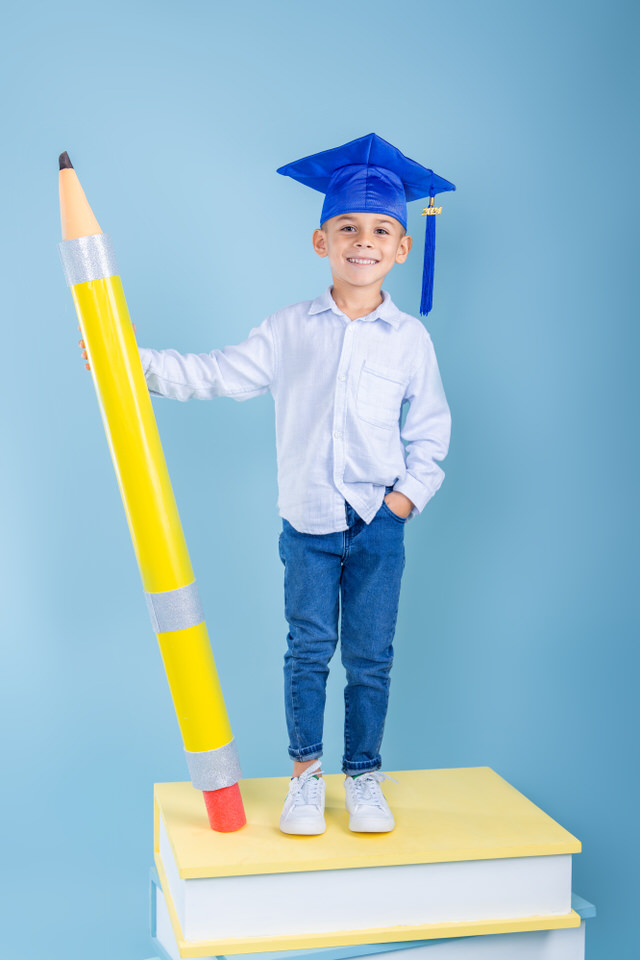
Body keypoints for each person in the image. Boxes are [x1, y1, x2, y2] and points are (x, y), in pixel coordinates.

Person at [132, 134, 453, 836]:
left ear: (402, 247)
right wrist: (131, 361)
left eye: (379, 231)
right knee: (308, 651)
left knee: (370, 657)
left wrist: (402, 502)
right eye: (346, 229)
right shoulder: (287, 330)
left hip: (379, 525)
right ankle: (306, 778)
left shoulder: (409, 341)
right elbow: (214, 373)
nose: (361, 242)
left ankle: (364, 775)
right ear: (321, 241)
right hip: (306, 524)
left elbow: (431, 431)